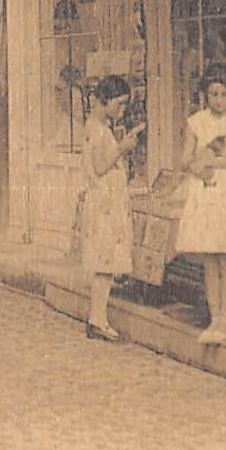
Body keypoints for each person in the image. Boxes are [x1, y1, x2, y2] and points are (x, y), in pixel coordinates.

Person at [175, 62, 226, 345]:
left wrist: (211, 159)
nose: (218, 100)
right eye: (213, 94)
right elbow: (184, 160)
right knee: (210, 258)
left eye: (223, 94)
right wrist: (197, 166)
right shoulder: (197, 122)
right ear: (205, 95)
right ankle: (213, 318)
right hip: (206, 194)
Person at [73, 75, 145, 342]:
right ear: (105, 100)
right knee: (104, 264)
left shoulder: (97, 126)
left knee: (105, 262)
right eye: (120, 103)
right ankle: (98, 320)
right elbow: (102, 166)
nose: (122, 109)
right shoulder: (99, 130)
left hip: (105, 202)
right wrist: (123, 147)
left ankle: (98, 317)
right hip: (104, 203)